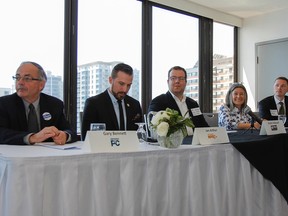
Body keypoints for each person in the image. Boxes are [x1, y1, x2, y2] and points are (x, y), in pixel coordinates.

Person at [0, 61, 77, 145]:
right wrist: (32, 137)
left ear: (41, 85)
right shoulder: (4, 104)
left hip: (47, 155)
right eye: (17, 78)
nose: (20, 82)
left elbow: (70, 131)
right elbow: (2, 133)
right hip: (13, 155)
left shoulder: (54, 104)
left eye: (27, 78)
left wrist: (64, 135)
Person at [81, 63, 143, 140]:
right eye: (121, 84)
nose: (125, 89)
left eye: (128, 85)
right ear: (110, 80)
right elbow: (86, 139)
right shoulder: (94, 104)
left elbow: (140, 138)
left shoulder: (135, 104)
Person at [148, 66, 209, 135]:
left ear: (186, 82)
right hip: (173, 144)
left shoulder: (193, 103)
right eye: (173, 78)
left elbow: (204, 127)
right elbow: (152, 129)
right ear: (168, 82)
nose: (177, 81)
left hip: (195, 143)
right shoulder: (158, 102)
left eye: (181, 78)